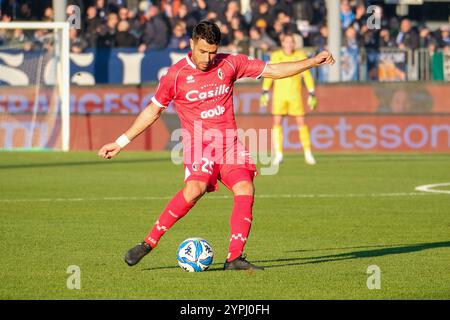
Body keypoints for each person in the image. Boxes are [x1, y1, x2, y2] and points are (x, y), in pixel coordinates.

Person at [97, 21, 334, 271]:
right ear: (191, 44)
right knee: (194, 190)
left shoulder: (230, 63)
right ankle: (148, 243)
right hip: (200, 146)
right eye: (202, 52)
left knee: (245, 187)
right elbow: (152, 111)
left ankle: (234, 258)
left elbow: (274, 70)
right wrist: (121, 142)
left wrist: (312, 61)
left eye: (212, 52)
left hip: (229, 145)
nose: (208, 58)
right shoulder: (175, 76)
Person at [260, 33, 318, 165]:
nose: (289, 44)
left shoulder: (300, 56)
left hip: (295, 95)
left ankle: (308, 153)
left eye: (291, 42)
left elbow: (307, 75)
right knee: (277, 122)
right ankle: (279, 154)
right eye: (287, 42)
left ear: (294, 44)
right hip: (279, 96)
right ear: (283, 43)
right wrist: (265, 91)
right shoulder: (276, 56)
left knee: (301, 122)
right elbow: (270, 73)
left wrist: (311, 92)